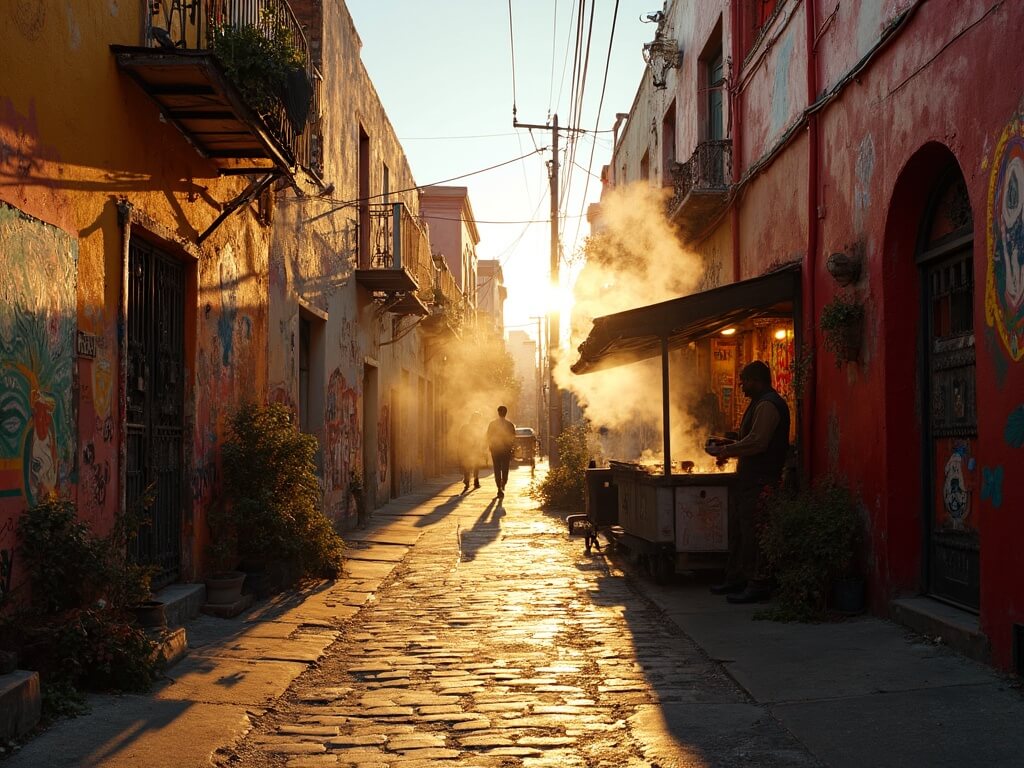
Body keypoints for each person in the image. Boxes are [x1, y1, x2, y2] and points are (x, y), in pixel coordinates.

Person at [706, 360, 790, 604]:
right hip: (749, 480)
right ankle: (738, 578)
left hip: (761, 480)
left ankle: (758, 583)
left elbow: (757, 442)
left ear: (757, 380)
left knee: (754, 532)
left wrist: (728, 450)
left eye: (744, 380)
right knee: (740, 531)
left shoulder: (768, 405)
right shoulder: (759, 403)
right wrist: (728, 446)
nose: (741, 385)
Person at [486, 405, 516, 498]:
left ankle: (499, 487)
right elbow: (513, 437)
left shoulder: (492, 424)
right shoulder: (509, 425)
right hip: (506, 449)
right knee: (505, 468)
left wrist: (490, 446)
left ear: (498, 413)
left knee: (497, 468)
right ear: (505, 413)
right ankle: (503, 483)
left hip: (496, 449)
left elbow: (488, 436)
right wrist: (511, 447)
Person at [458, 412, 485, 493]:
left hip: (466, 449)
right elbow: (481, 439)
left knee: (467, 465)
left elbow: (460, 438)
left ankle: (467, 480)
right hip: (475, 449)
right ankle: (476, 481)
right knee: (476, 465)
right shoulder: (478, 428)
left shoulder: (464, 427)